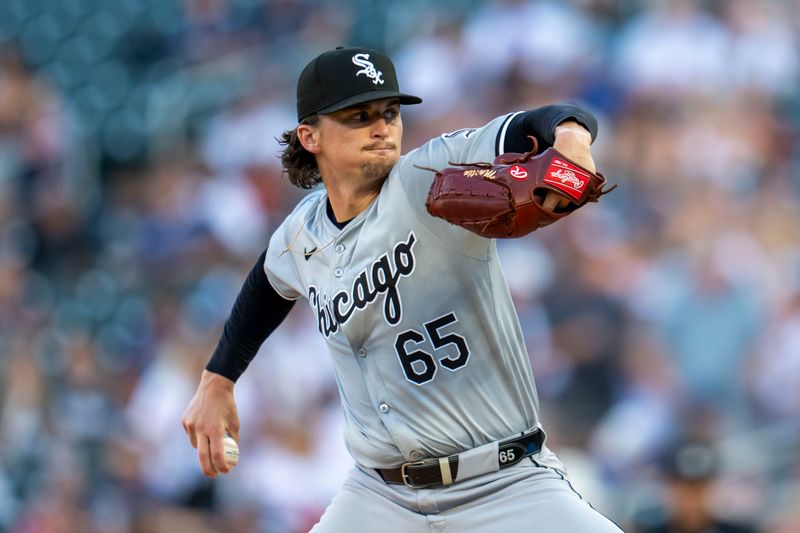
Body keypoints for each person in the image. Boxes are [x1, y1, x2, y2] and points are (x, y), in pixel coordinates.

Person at [182, 46, 623, 532]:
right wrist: (217, 381)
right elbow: (266, 284)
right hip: (379, 497)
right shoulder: (301, 233)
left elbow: (539, 122)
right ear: (310, 136)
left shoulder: (426, 174)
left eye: (390, 113)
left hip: (504, 483)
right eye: (358, 116)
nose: (382, 127)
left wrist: (572, 134)